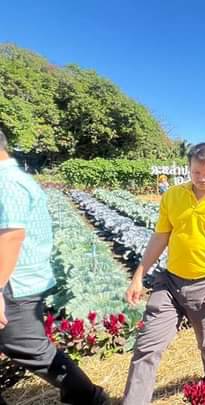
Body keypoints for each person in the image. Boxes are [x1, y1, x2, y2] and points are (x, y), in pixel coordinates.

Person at [123, 143, 205, 404]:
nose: (202, 179)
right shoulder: (173, 196)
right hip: (169, 282)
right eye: (196, 173)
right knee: (147, 346)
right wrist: (138, 275)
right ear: (189, 169)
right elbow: (160, 236)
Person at [0, 128, 110, 405]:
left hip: (14, 284)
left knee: (31, 349)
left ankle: (90, 398)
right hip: (15, 281)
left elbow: (11, 237)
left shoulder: (7, 183)